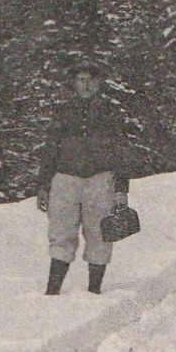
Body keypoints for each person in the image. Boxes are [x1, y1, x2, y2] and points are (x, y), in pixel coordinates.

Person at [36, 60, 131, 295]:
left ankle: (94, 291)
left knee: (100, 233)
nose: (86, 84)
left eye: (90, 79)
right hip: (65, 179)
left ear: (99, 83)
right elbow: (51, 148)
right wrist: (43, 185)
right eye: (81, 80)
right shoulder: (63, 111)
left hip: (100, 179)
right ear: (74, 84)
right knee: (60, 233)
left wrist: (121, 187)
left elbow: (122, 150)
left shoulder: (111, 112)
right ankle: (52, 292)